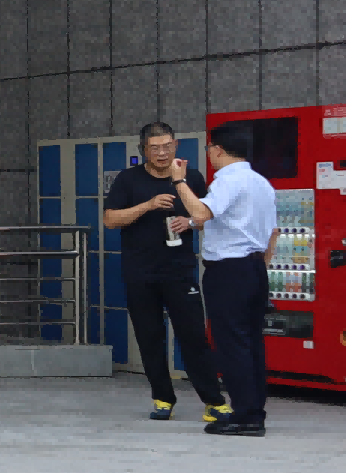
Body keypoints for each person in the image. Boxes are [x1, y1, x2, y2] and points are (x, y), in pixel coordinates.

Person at [100, 120, 228, 423]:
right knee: (149, 337)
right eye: (155, 148)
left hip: (180, 270)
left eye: (167, 146)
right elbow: (110, 220)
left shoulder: (191, 177)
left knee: (193, 336)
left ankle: (213, 401)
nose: (162, 153)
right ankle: (162, 397)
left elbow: (206, 216)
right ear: (144, 149)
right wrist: (148, 205)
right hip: (140, 271)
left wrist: (191, 222)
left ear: (176, 145)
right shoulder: (128, 179)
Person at [188, 121, 276, 437]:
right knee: (251, 343)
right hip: (254, 268)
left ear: (218, 149)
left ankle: (245, 416)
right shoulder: (261, 182)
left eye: (209, 148)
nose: (209, 154)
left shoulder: (227, 180)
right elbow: (273, 232)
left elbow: (201, 213)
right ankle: (253, 411)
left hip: (228, 271)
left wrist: (179, 182)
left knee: (231, 344)